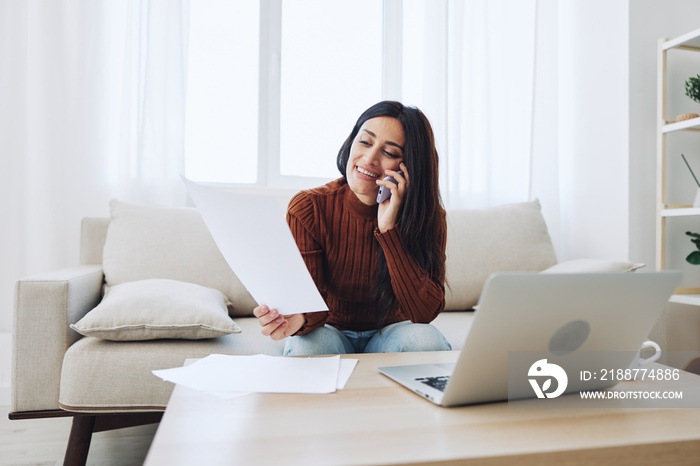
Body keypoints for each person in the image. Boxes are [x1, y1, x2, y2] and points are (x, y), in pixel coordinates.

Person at [254, 100, 451, 355]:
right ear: (351, 142)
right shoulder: (309, 207)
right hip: (329, 329)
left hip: (393, 332)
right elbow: (309, 296)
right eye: (365, 142)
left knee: (425, 341)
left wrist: (388, 230)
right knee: (308, 348)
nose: (369, 158)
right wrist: (298, 319)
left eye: (390, 153)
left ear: (410, 167)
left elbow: (423, 313)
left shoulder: (428, 216)